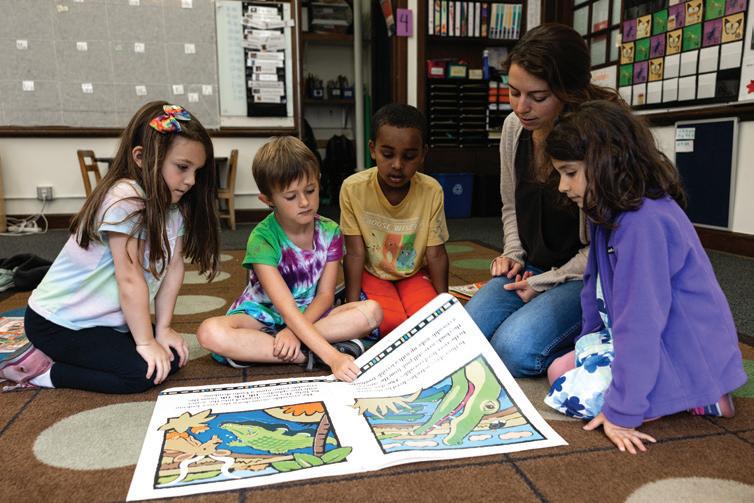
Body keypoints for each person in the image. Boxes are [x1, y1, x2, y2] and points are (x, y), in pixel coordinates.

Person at [543, 100, 747, 453]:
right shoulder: (608, 209)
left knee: (572, 390)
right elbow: (594, 288)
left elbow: (641, 321)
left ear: (607, 162)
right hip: (653, 342)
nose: (562, 186)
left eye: (570, 173)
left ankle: (702, 393)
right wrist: (589, 343)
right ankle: (682, 391)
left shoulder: (643, 223)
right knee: (559, 369)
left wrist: (623, 413)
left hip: (683, 349)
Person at [0, 101, 220, 393]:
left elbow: (174, 267)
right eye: (182, 167)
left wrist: (163, 329)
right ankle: (43, 372)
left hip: (104, 323)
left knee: (172, 357)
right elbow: (129, 278)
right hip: (58, 323)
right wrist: (145, 341)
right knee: (140, 375)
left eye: (196, 171)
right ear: (141, 157)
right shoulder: (125, 198)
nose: (191, 180)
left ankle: (71, 357)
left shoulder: (173, 207)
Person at [464, 23, 626, 377]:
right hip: (533, 266)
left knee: (513, 350)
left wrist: (543, 285)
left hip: (584, 275)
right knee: (467, 334)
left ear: (568, 92)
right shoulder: (513, 128)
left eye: (537, 97)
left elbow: (604, 245)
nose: (522, 107)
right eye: (513, 92)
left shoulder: (593, 140)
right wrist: (512, 254)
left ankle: (597, 337)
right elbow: (510, 205)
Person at [197, 136, 382, 382]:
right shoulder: (262, 238)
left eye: (310, 190)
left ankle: (277, 348)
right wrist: (333, 358)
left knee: (372, 311)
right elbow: (285, 307)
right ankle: (308, 355)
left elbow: (325, 295)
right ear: (268, 200)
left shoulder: (331, 231)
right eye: (291, 196)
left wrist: (294, 333)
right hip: (262, 316)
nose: (304, 202)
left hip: (311, 314)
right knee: (210, 332)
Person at [339, 103, 449, 337]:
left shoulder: (432, 191)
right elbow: (355, 253)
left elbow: (436, 254)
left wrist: (445, 306)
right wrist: (352, 306)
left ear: (423, 154)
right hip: (373, 273)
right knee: (388, 324)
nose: (397, 165)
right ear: (372, 149)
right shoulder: (352, 189)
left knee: (430, 323)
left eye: (409, 156)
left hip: (413, 275)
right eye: (387, 154)